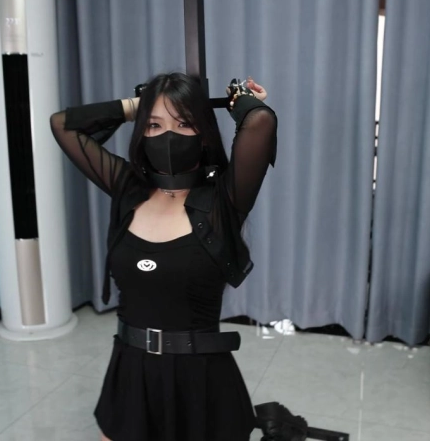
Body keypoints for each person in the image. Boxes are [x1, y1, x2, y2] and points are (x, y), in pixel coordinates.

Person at [49, 72, 277, 441]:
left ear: (204, 133)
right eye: (154, 125)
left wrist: (238, 99)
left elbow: (260, 122)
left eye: (184, 123)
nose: (167, 135)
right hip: (129, 373)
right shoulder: (127, 186)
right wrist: (137, 107)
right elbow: (62, 124)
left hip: (201, 379)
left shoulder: (223, 200)